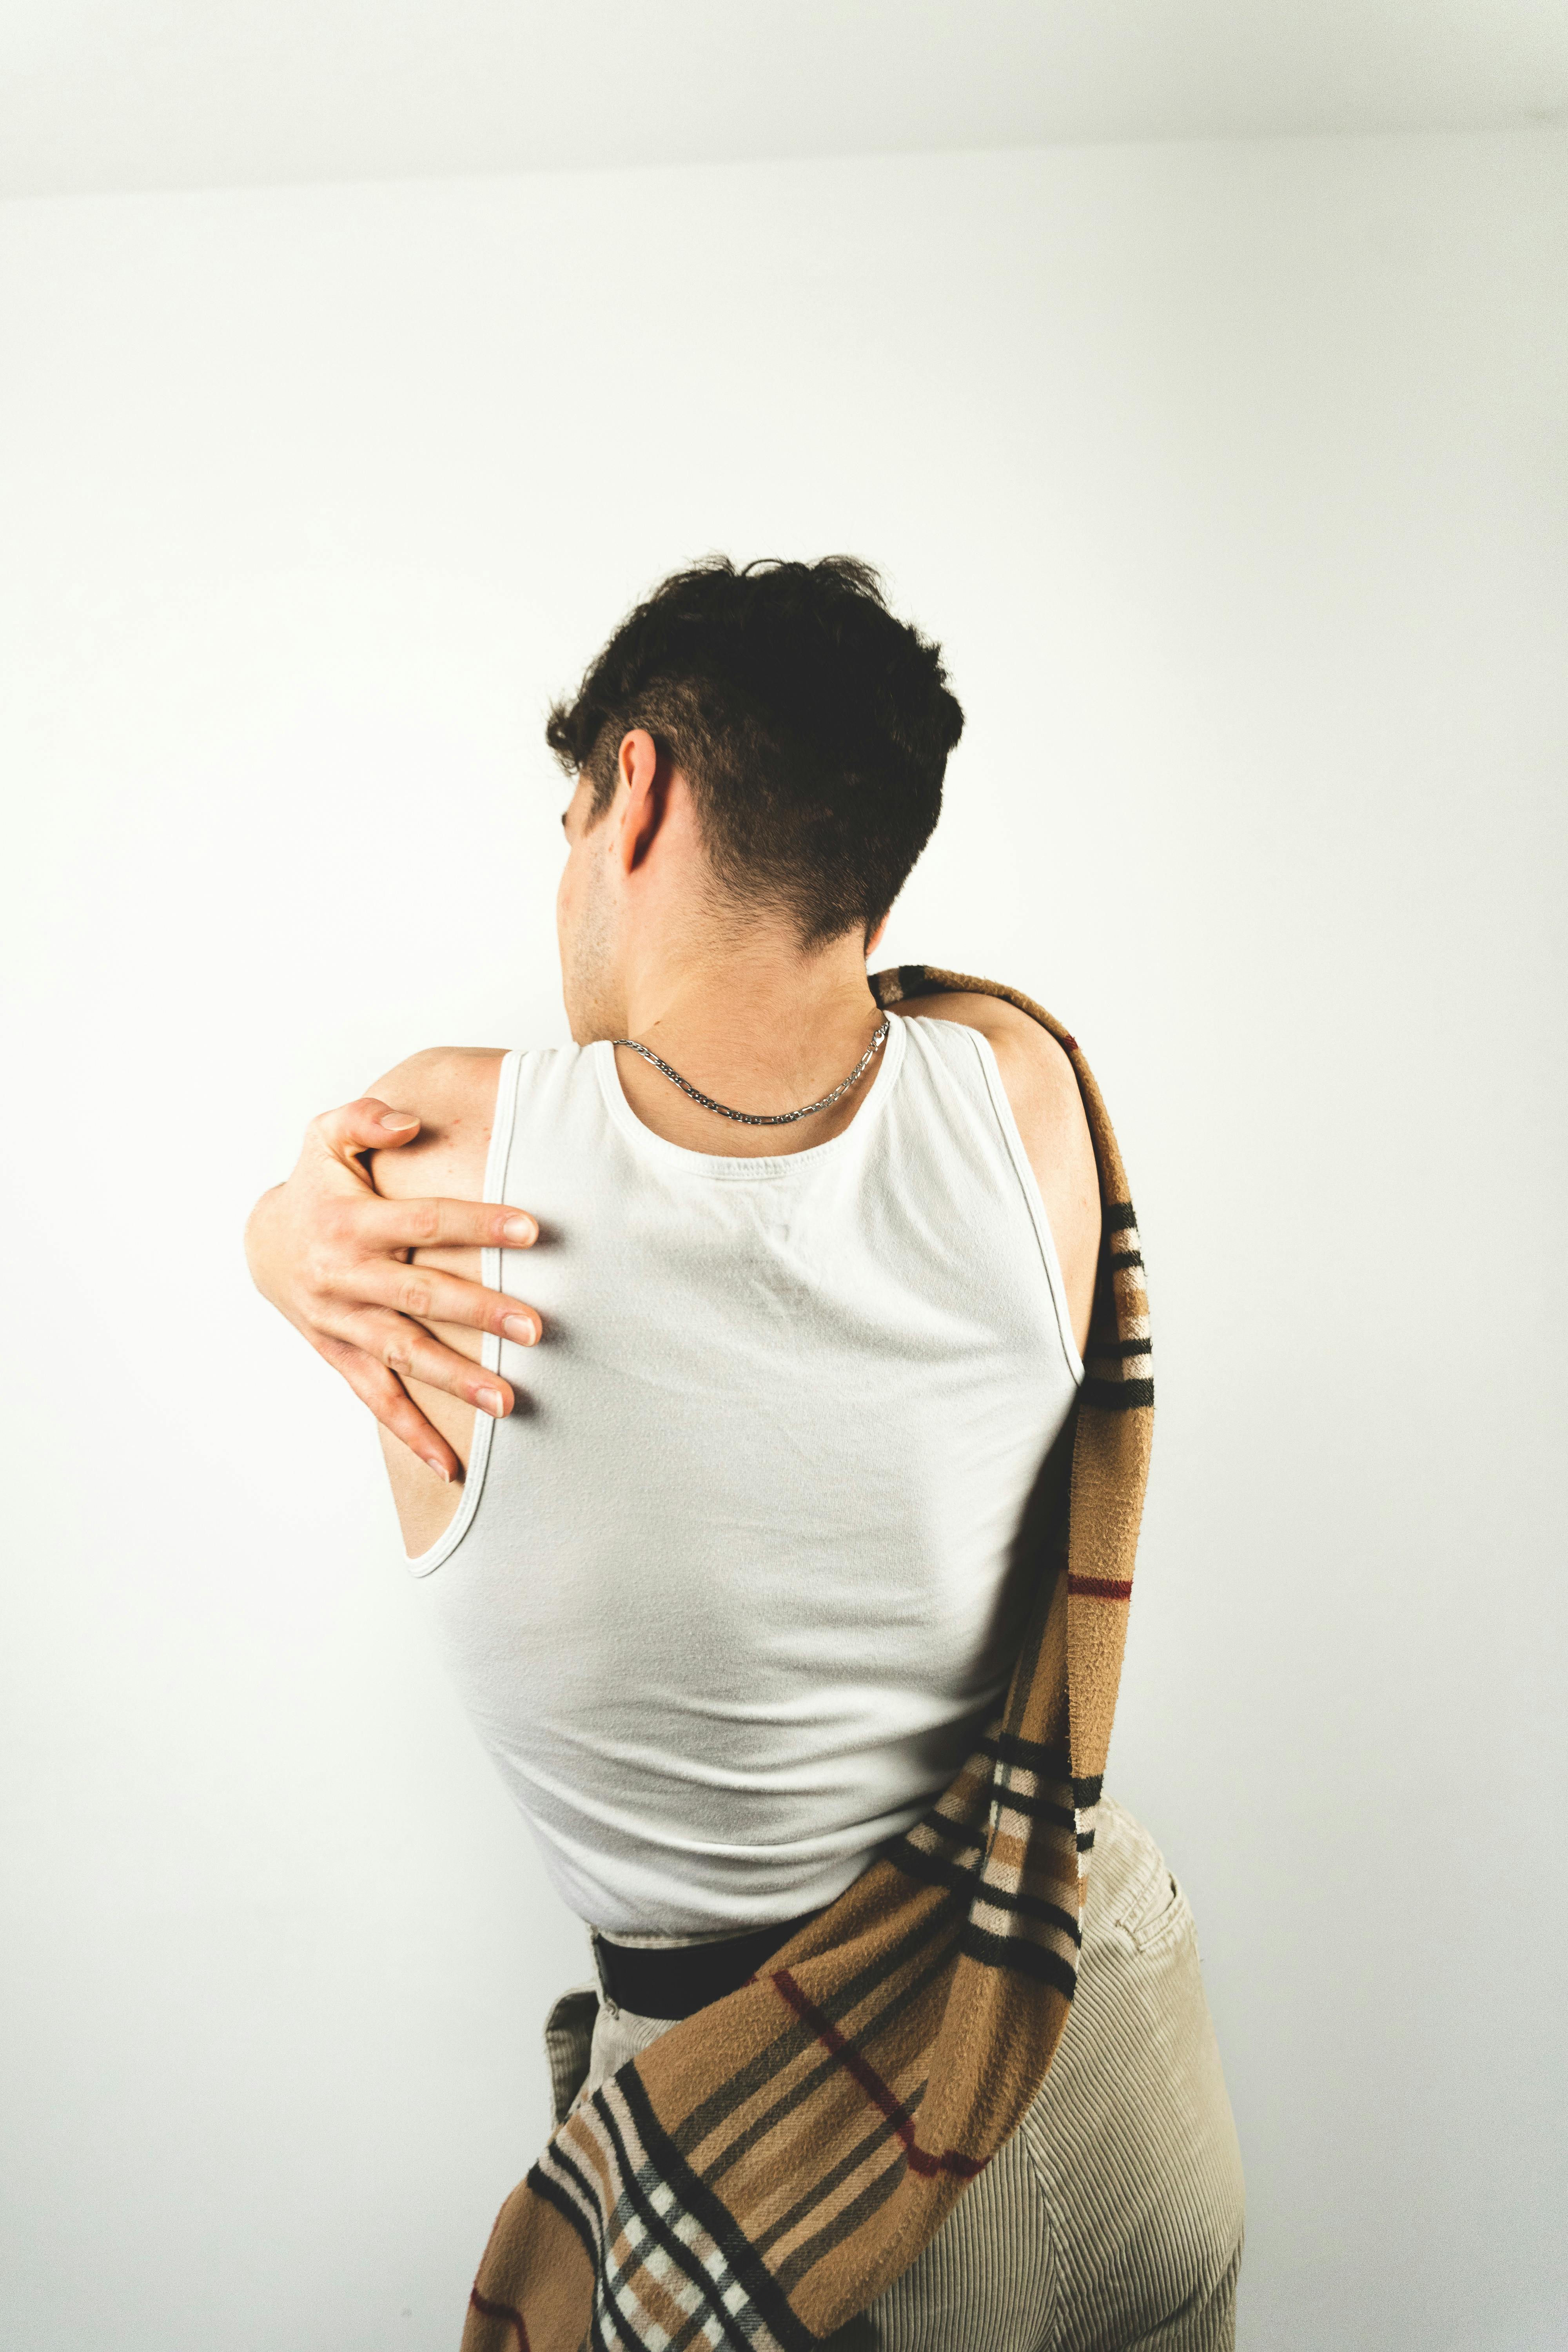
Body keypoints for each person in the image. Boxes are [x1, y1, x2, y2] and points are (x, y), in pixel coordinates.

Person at [245, 557, 1243, 2348]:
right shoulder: (1025, 1096)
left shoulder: (441, 1168)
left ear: (636, 789)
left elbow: (311, 1205)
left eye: (569, 821)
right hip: (1102, 2019)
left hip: (797, 2136)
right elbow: (872, 1058)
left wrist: (273, 1227)